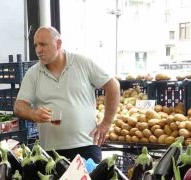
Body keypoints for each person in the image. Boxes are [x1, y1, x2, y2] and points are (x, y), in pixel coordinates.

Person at [14, 26, 120, 163]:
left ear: (58, 44)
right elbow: (19, 106)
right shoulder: (33, 73)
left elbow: (113, 86)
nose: (38, 50)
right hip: (50, 152)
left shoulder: (82, 63)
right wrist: (33, 114)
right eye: (36, 45)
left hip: (86, 146)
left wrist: (106, 123)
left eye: (43, 44)